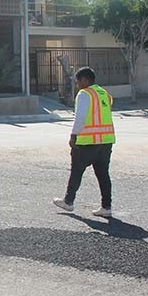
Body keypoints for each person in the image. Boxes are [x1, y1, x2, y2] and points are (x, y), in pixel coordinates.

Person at [53, 67, 116, 217]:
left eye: (77, 81)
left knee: (76, 171)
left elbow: (80, 118)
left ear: (85, 80)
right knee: (103, 174)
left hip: (87, 142)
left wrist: (73, 135)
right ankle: (106, 207)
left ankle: (68, 202)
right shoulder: (104, 93)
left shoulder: (84, 94)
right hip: (106, 141)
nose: (77, 85)